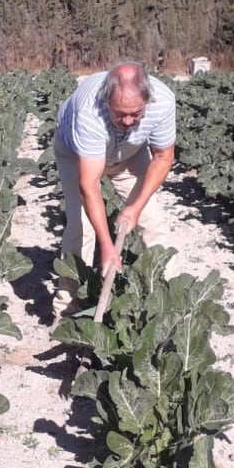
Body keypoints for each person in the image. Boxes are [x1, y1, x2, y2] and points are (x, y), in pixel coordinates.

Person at [53, 60, 176, 315]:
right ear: (107, 101)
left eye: (136, 113)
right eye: (119, 114)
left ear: (147, 99)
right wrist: (107, 246)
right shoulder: (89, 111)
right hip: (76, 153)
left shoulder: (163, 101)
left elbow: (163, 157)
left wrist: (135, 208)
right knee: (81, 229)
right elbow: (89, 183)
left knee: (153, 222)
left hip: (130, 153)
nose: (129, 120)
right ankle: (66, 308)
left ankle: (169, 304)